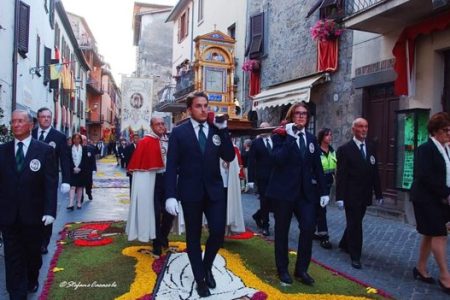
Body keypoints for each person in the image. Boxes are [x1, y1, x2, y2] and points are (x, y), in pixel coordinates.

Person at [165, 91, 235, 297]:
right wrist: (171, 194)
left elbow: (229, 156)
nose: (204, 109)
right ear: (189, 109)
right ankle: (200, 279)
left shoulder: (216, 130)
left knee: (217, 232)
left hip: (214, 191)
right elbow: (171, 166)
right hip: (190, 192)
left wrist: (224, 132)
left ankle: (206, 266)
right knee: (193, 237)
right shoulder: (179, 132)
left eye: (206, 106)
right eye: (199, 106)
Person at [266, 102, 328, 286]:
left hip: (305, 193)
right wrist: (290, 138)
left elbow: (317, 166)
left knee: (308, 228)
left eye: (304, 114)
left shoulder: (310, 139)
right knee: (282, 231)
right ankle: (282, 269)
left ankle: (301, 269)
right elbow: (277, 160)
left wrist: (324, 191)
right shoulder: (280, 135)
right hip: (283, 192)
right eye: (298, 113)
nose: (301, 116)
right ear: (292, 116)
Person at [0, 109, 58, 298]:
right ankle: (16, 292)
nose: (16, 125)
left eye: (20, 121)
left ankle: (32, 278)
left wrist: (50, 211)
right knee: (12, 256)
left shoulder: (44, 151)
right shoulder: (2, 151)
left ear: (30, 125)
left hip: (34, 215)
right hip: (8, 215)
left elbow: (50, 183)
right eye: (13, 121)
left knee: (32, 255)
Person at [410, 112, 450, 294]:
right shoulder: (425, 149)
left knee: (429, 233)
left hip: (440, 199)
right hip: (425, 199)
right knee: (439, 234)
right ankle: (445, 276)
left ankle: (420, 267)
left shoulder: (446, 149)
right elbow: (424, 176)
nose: (449, 134)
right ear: (435, 131)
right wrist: (446, 193)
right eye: (445, 130)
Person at [336, 117, 383, 269]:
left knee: (356, 221)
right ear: (353, 129)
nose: (364, 130)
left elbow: (374, 170)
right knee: (355, 224)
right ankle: (355, 255)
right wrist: (340, 197)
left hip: (365, 194)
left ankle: (344, 243)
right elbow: (341, 175)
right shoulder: (345, 149)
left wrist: (379, 193)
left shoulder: (371, 147)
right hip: (351, 194)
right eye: (360, 127)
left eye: (366, 127)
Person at [32, 107, 70, 254]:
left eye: (48, 117)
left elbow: (65, 159)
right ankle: (33, 239)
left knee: (47, 211)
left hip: (49, 181)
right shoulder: (31, 133)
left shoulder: (58, 136)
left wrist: (66, 180)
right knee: (32, 209)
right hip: (31, 180)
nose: (46, 119)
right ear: (38, 118)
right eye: (43, 117)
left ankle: (44, 242)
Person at [247, 122, 274, 236]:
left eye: (265, 127)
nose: (263, 130)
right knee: (264, 200)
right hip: (262, 177)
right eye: (261, 128)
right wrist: (251, 179)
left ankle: (258, 215)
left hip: (275, 177)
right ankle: (265, 225)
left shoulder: (276, 141)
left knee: (272, 202)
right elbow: (251, 162)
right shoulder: (256, 143)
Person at [313, 128, 336, 249]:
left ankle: (315, 231)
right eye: (327, 135)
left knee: (320, 210)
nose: (330, 137)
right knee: (321, 210)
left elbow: (334, 167)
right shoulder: (316, 151)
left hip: (328, 185)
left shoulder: (332, 151)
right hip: (316, 185)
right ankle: (324, 236)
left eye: (331, 135)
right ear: (322, 137)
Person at [67, 133, 89, 210]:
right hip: (72, 170)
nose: (76, 140)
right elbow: (68, 160)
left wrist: (79, 167)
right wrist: (73, 167)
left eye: (78, 138)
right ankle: (71, 203)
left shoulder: (84, 148)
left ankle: (79, 202)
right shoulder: (69, 148)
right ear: (73, 140)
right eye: (75, 138)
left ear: (80, 140)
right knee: (72, 187)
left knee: (80, 187)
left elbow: (85, 160)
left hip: (81, 170)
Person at [81, 135, 97, 201]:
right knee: (80, 183)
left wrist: (94, 168)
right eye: (82, 140)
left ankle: (89, 193)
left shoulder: (91, 148)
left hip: (88, 169)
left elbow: (93, 159)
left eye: (84, 140)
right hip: (80, 169)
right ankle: (81, 196)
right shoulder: (77, 148)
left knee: (89, 183)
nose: (83, 141)